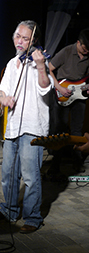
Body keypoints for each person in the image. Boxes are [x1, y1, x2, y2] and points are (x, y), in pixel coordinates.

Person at [0, 20, 54, 233]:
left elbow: (46, 89)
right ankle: (10, 210)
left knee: (31, 175)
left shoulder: (39, 61)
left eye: (25, 38)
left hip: (33, 126)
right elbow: (0, 89)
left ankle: (33, 217)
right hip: (12, 126)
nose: (20, 41)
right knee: (8, 173)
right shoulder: (13, 62)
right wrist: (2, 97)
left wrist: (41, 66)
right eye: (18, 36)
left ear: (34, 40)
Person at [48, 29, 89, 175]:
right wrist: (58, 87)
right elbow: (49, 69)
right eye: (84, 48)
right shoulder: (66, 51)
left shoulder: (88, 56)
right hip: (61, 94)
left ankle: (77, 162)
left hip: (79, 96)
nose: (86, 51)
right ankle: (55, 165)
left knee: (77, 130)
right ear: (78, 42)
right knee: (60, 131)